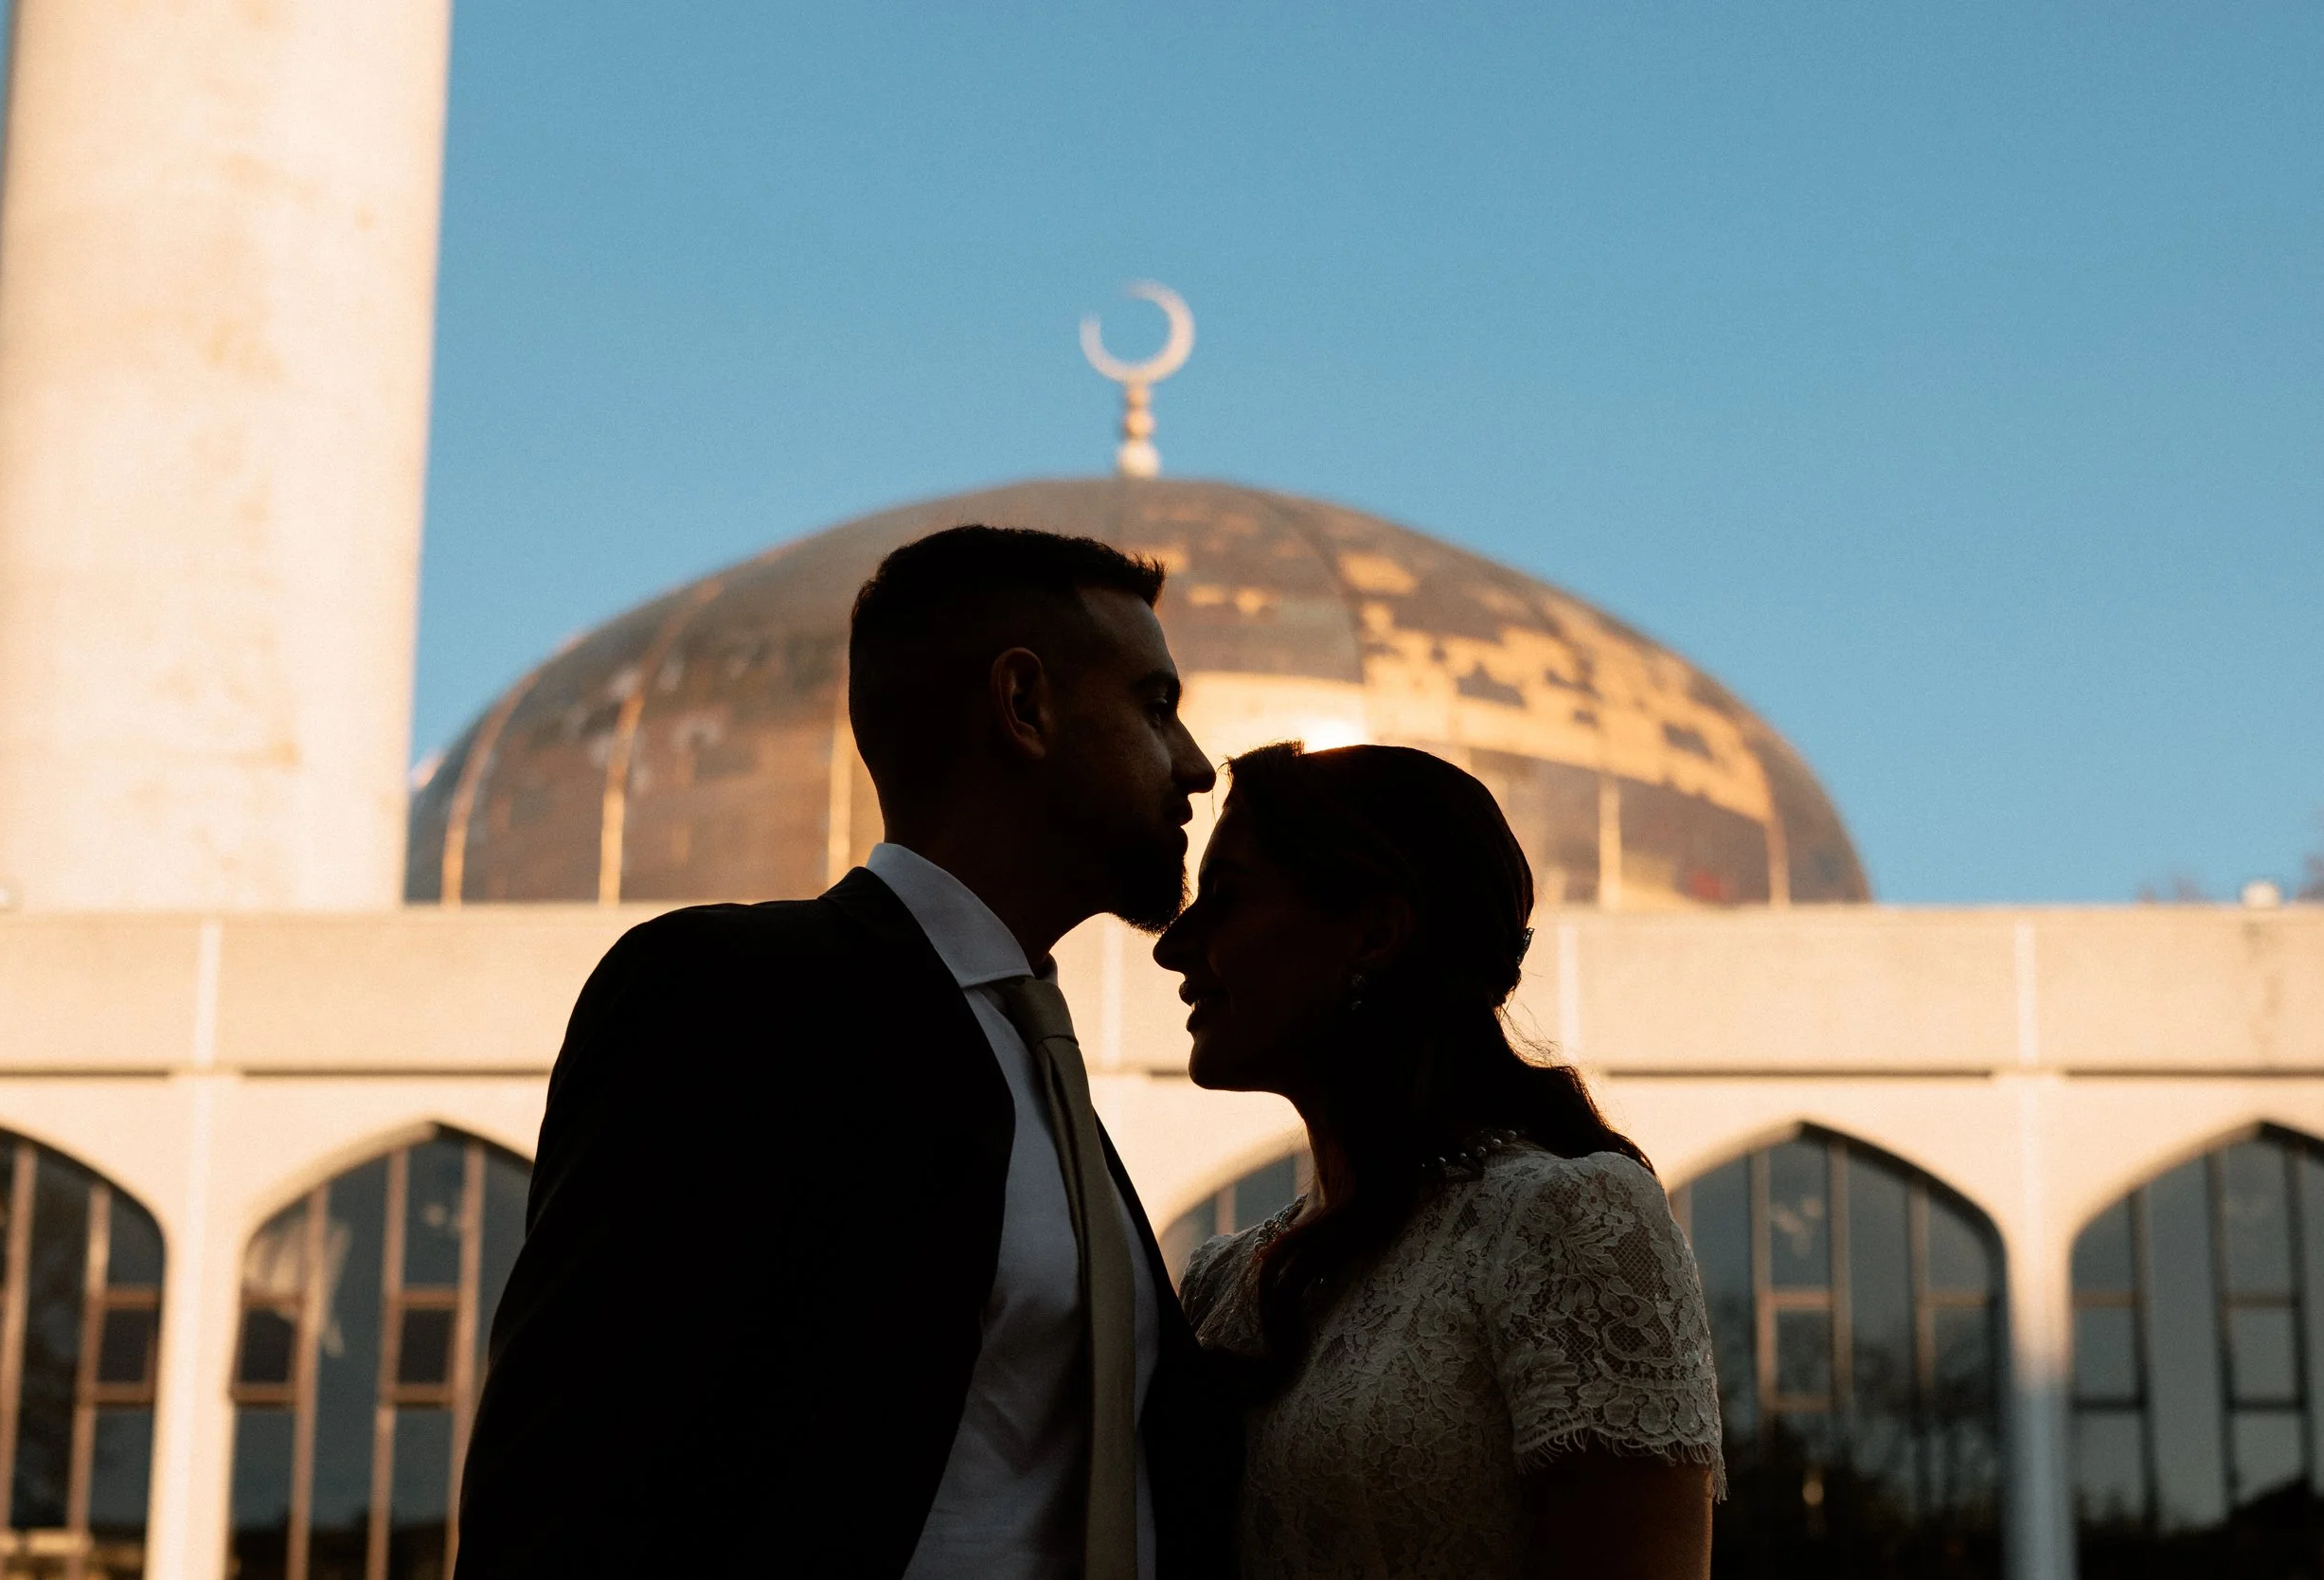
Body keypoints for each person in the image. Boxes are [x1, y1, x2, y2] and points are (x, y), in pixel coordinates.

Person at [455, 527, 1236, 1579]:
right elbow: (569, 1472)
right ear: (1024, 705)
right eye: (1154, 706)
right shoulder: (740, 1000)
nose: (1194, 765)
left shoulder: (1037, 1064)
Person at [1154, 742, 1723, 1580]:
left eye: (1227, 897)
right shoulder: (1227, 1281)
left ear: (1375, 933)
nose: (1173, 947)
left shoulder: (1567, 1220)